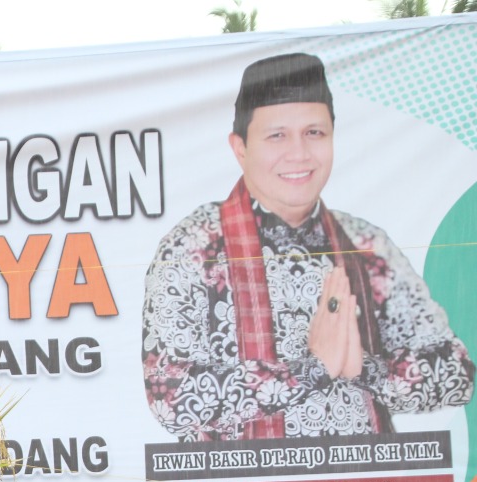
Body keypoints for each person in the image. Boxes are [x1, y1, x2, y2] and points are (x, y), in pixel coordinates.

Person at [142, 53, 473, 440]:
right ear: (240, 148)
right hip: (241, 479)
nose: (299, 154)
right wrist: (312, 369)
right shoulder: (194, 246)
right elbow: (169, 395)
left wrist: (366, 370)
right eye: (277, 135)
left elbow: (457, 373)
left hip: (366, 476)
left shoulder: (366, 244)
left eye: (314, 133)